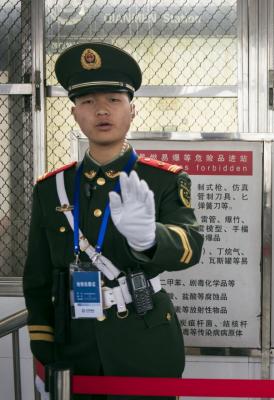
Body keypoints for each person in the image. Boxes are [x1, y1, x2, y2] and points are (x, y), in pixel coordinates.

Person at [23, 42, 203, 399]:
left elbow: (190, 246)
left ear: (132, 111)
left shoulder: (162, 179)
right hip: (75, 341)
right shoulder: (51, 188)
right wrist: (44, 339)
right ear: (75, 114)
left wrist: (149, 238)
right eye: (88, 102)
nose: (101, 111)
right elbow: (38, 275)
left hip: (144, 338)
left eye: (114, 100)